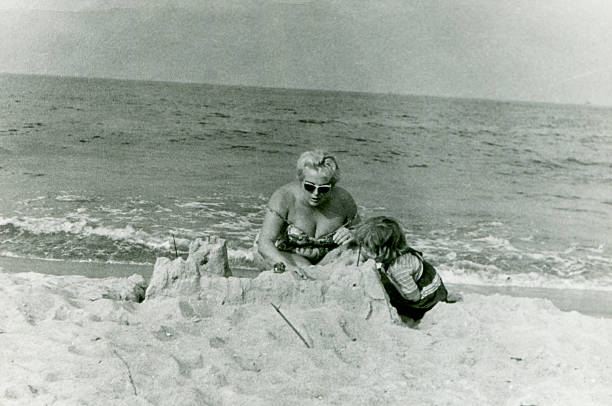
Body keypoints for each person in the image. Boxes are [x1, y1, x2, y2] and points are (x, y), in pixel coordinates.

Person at [257, 150, 359, 279]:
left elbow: (362, 234)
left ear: (332, 186)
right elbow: (264, 243)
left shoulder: (344, 200)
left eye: (323, 189)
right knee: (302, 274)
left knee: (356, 255)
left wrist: (353, 234)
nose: (316, 193)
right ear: (301, 180)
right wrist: (287, 266)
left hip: (327, 259)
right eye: (310, 187)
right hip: (286, 256)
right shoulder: (284, 197)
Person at [353, 216, 453, 321]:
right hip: (434, 284)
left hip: (427, 300)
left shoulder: (398, 269)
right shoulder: (401, 251)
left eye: (369, 248)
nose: (365, 251)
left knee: (388, 294)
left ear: (385, 250)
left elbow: (415, 297)